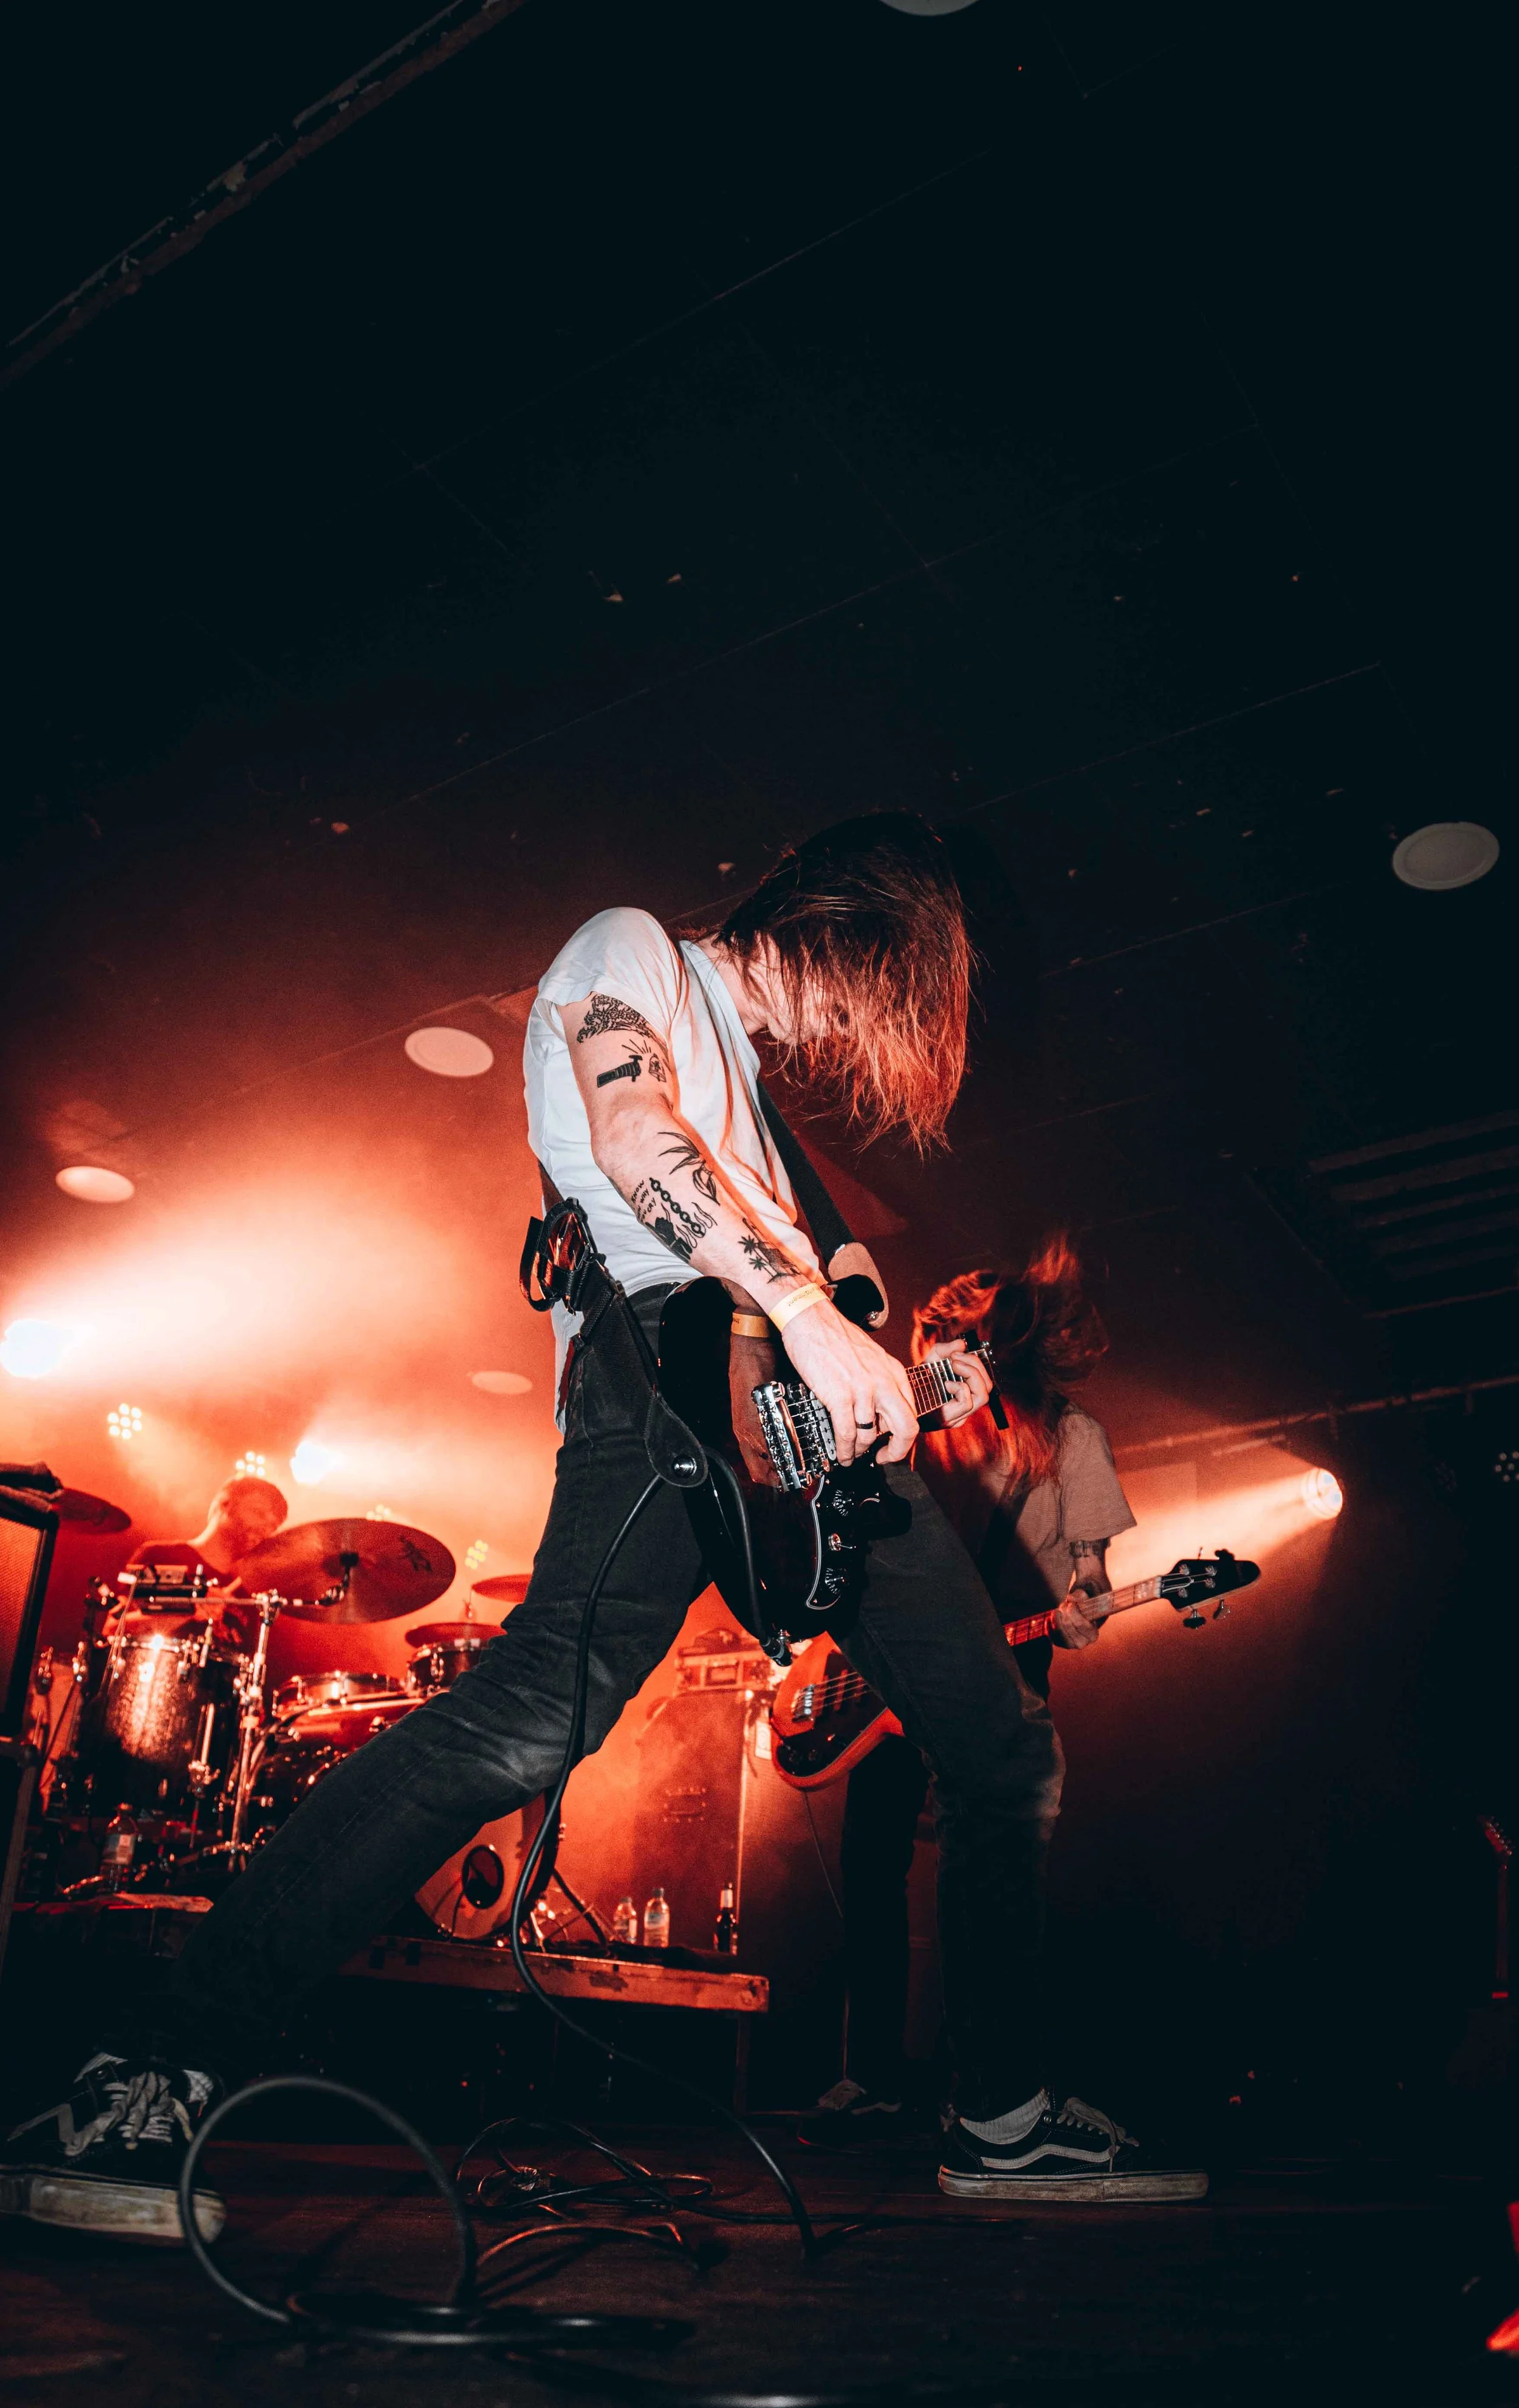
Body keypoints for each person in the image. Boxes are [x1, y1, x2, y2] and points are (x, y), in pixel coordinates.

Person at [5, 813, 1204, 2237]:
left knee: (1006, 1747)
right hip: (659, 1373)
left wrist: (912, 1373)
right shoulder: (634, 950)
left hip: (797, 1458)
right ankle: (153, 2071)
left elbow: (851, 1312)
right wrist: (814, 1316)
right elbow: (636, 1139)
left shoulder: (771, 1125)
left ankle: (1003, 2114)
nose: (856, 1033)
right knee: (523, 1721)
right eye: (872, 994)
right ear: (835, 932)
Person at [803, 1241, 1136, 2144]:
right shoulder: (916, 1422)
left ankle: (983, 2089)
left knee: (984, 1860)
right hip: (894, 1677)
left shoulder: (1071, 1437)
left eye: (965, 1330)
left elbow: (1092, 1581)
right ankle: (871, 2076)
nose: (941, 1345)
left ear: (1008, 1341)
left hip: (1001, 1669)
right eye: (936, 1332)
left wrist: (1086, 1609)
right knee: (872, 1870)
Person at [127, 1473, 289, 1585]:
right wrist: (189, 1608)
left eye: (273, 1527)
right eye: (259, 1513)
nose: (265, 1530)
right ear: (225, 1504)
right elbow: (114, 1627)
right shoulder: (160, 1557)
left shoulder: (244, 1595)